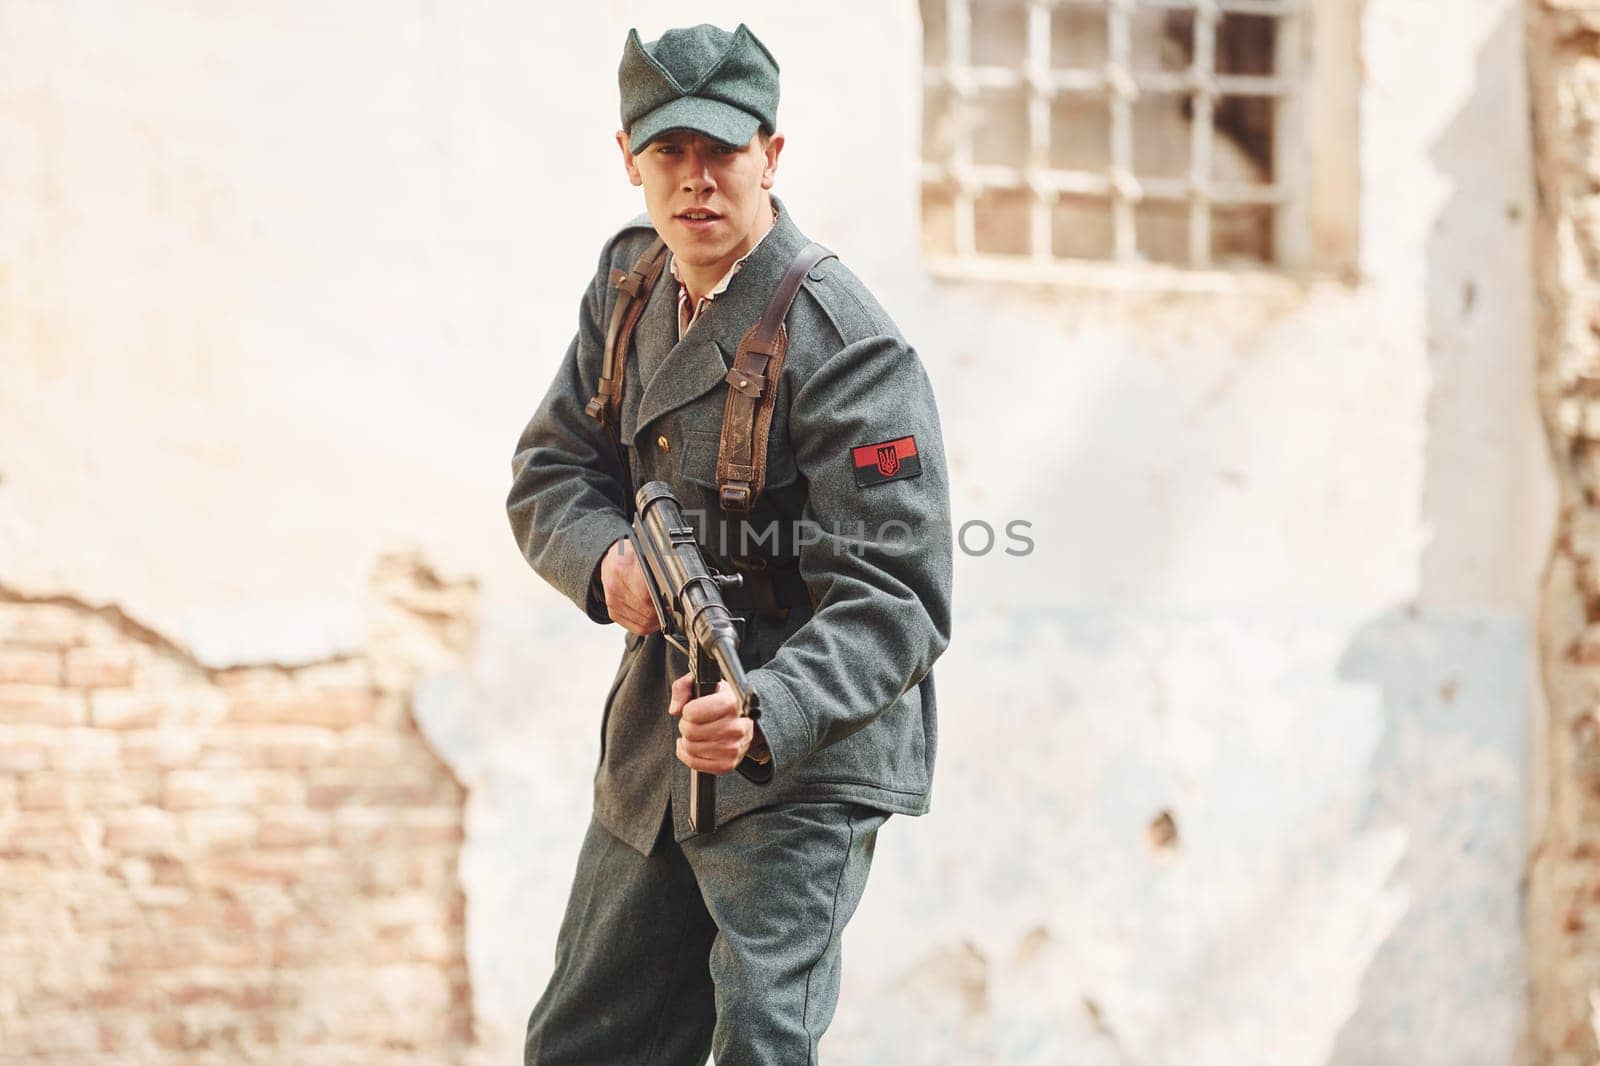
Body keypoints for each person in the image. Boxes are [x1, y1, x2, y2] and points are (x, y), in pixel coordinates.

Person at [506, 21, 953, 1065]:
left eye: (722, 151)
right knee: (583, 1041)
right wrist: (606, 559)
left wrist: (764, 710)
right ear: (629, 159)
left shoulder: (847, 343)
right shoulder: (629, 284)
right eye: (669, 152)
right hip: (656, 744)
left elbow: (897, 597)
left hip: (799, 764)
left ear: (772, 156)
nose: (696, 182)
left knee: (758, 1043)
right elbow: (552, 471)